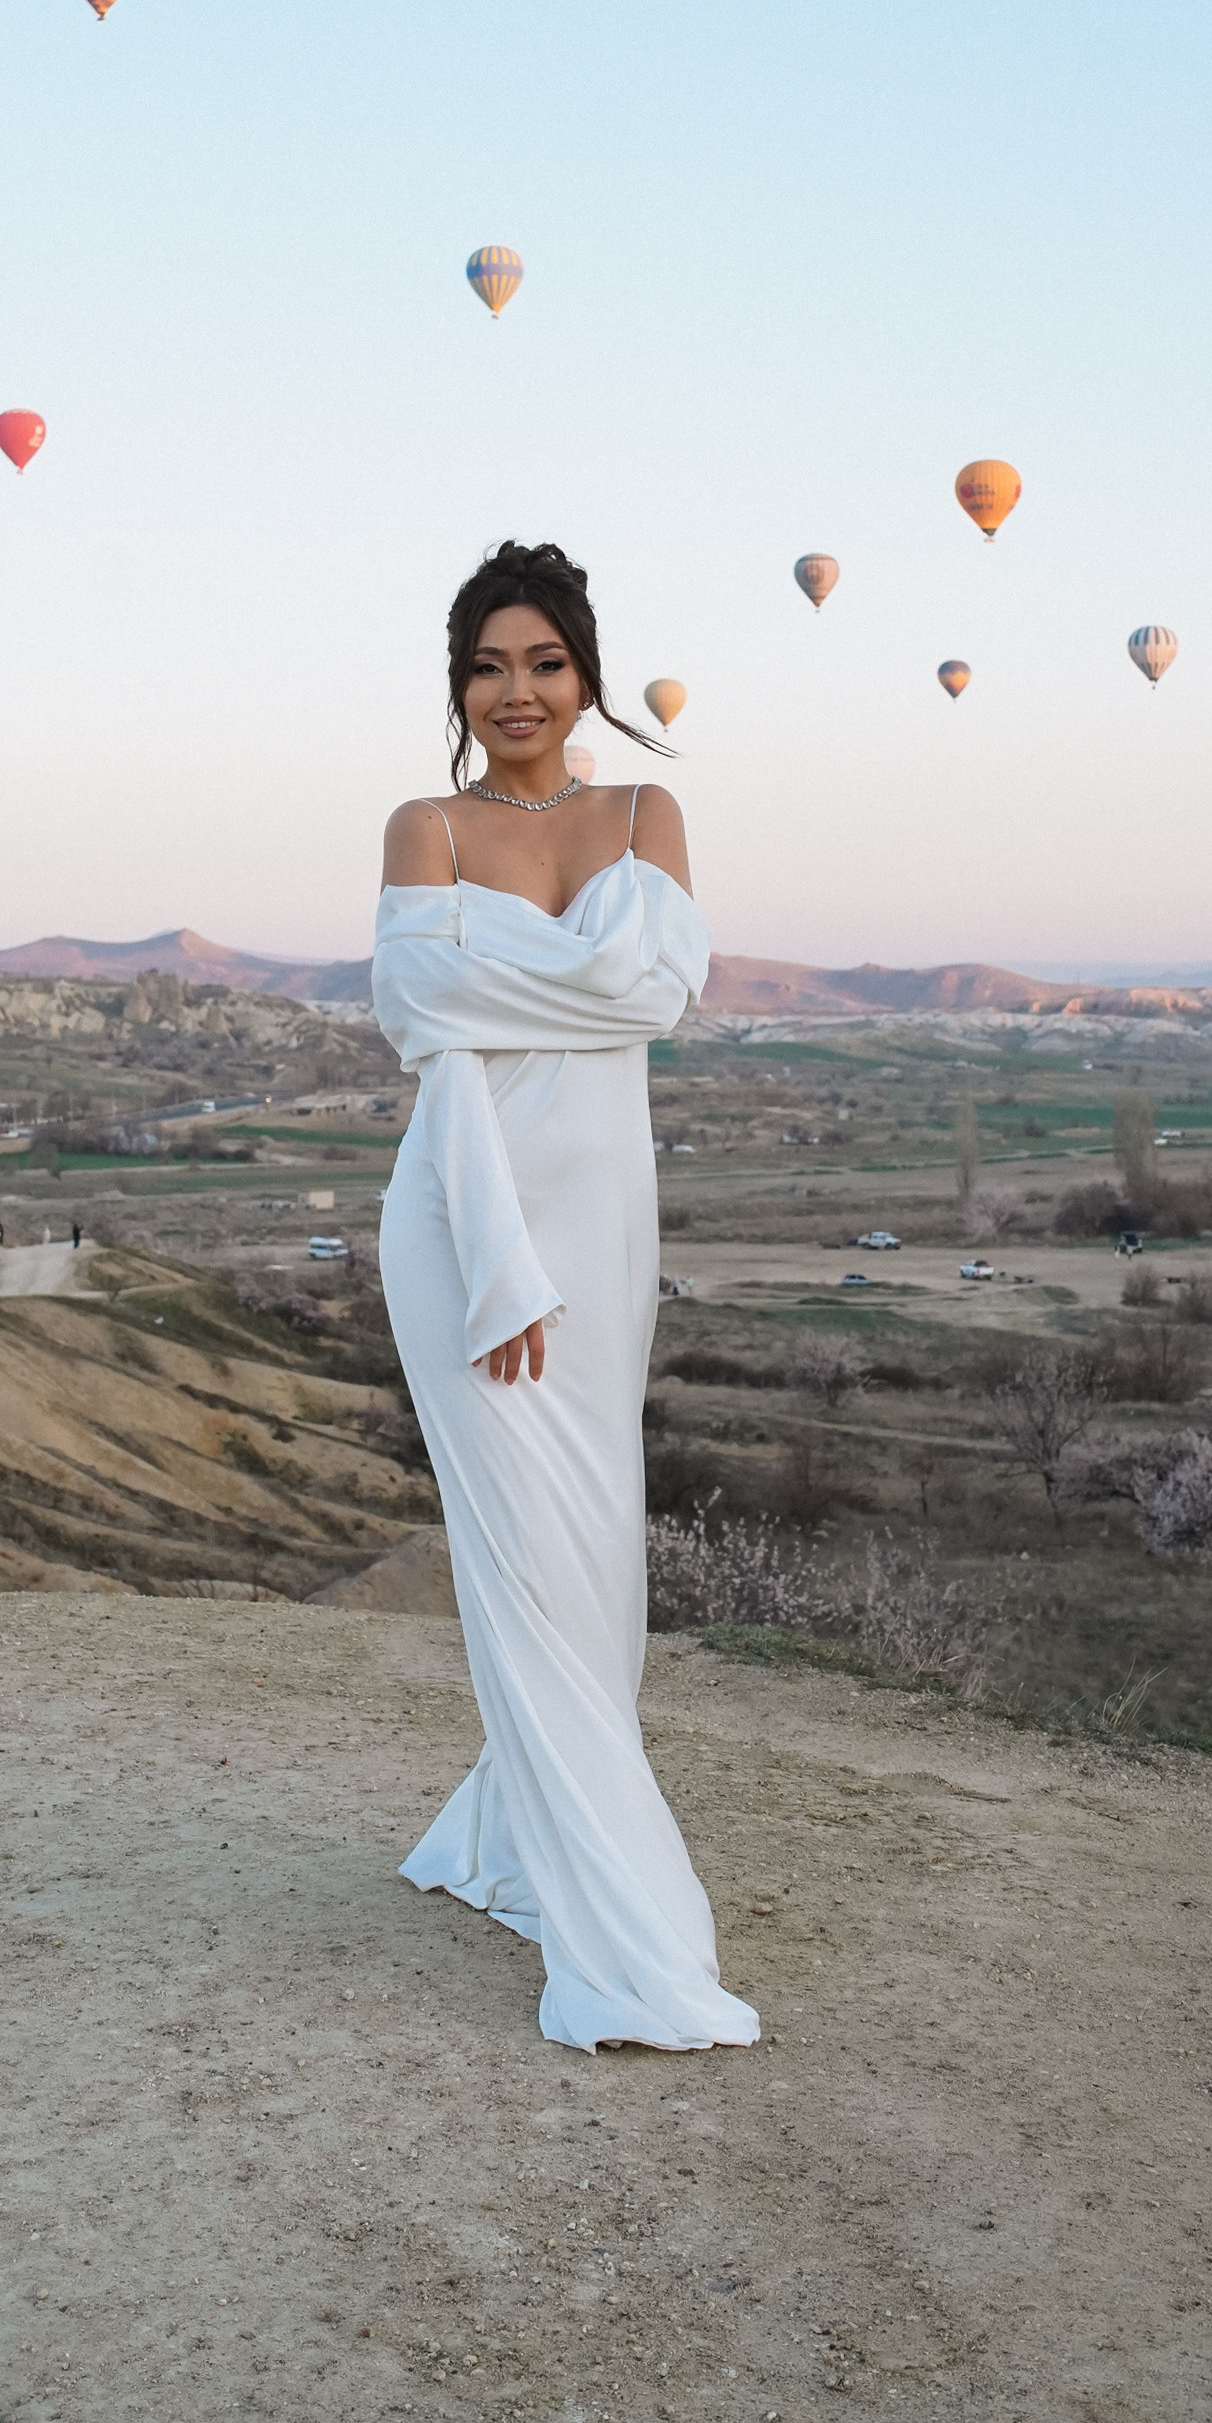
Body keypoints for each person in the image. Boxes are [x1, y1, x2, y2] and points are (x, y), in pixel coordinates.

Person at [373, 540, 758, 2054]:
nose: (514, 690)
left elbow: (655, 997)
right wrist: (498, 1261)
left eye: (542, 661)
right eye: (486, 663)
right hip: (467, 1223)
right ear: (457, 682)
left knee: (593, 1567)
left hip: (604, 1228)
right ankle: (625, 1933)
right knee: (524, 1563)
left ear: (586, 672)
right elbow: (430, 1033)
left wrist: (501, 979)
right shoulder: (425, 824)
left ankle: (510, 1836)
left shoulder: (644, 809)